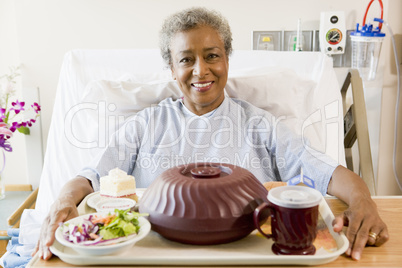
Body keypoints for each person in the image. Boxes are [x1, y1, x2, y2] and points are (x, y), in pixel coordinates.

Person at [33, 7, 388, 261]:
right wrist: (64, 200)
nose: (200, 70)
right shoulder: (145, 125)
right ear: (172, 69)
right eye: (186, 59)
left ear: (227, 60)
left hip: (249, 253)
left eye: (212, 55)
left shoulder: (260, 125)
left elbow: (325, 171)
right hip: (155, 255)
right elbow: (91, 179)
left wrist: (363, 202)